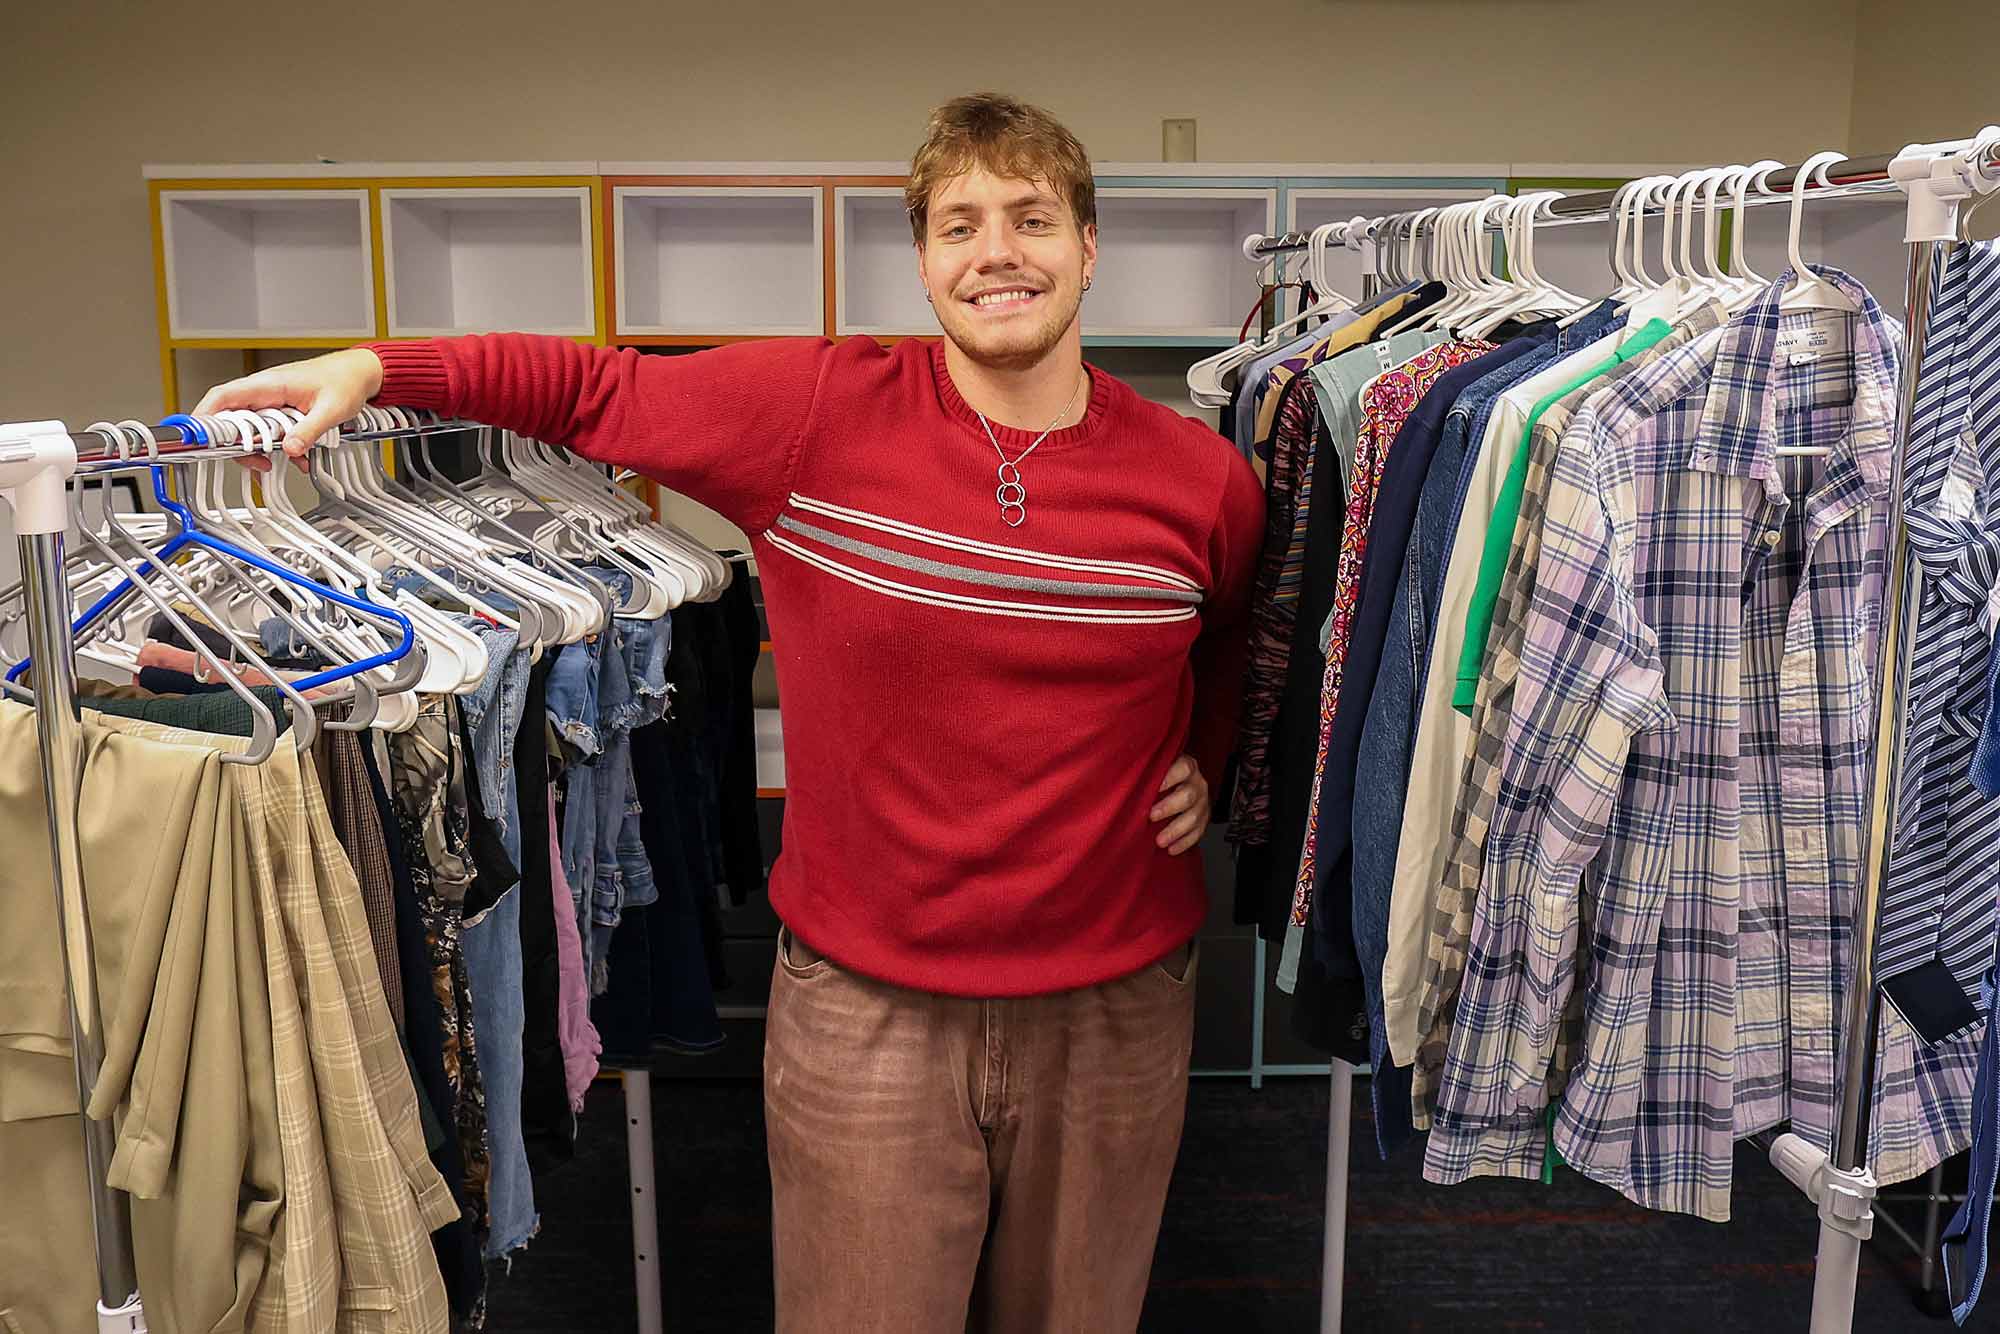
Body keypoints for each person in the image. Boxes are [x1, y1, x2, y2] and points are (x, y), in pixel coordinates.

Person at [197, 92, 1264, 1333]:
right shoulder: (818, 413)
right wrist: (378, 369)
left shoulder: (1201, 478)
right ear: (921, 259)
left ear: (1087, 243)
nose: (996, 253)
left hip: (1113, 1006)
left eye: (1031, 218)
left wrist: (1205, 745)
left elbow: (1239, 634)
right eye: (959, 224)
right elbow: (588, 390)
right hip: (870, 1016)